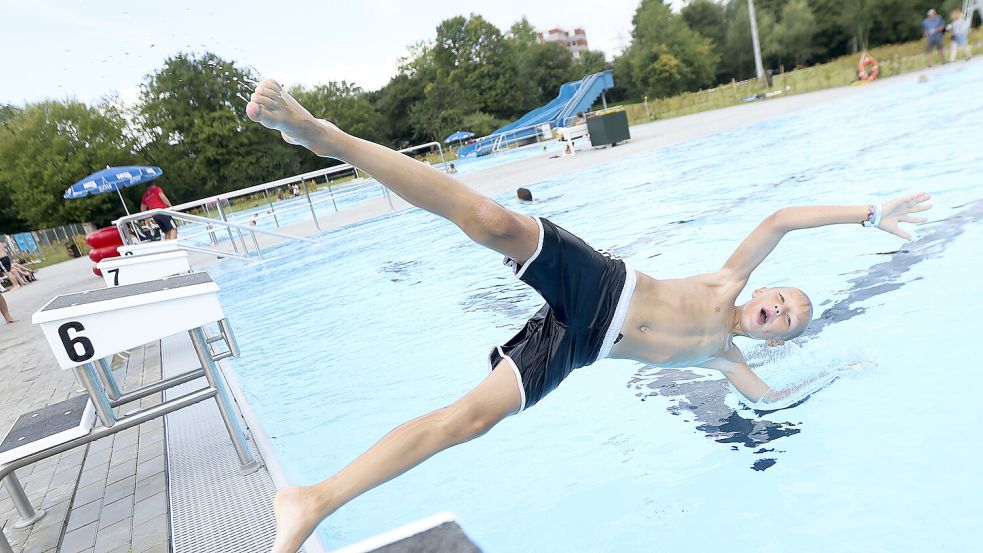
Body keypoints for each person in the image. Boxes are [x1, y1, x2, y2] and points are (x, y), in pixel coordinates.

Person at [244, 79, 932, 553]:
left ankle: (311, 500)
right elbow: (783, 217)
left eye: (788, 321)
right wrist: (867, 211)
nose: (778, 312)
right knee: (488, 219)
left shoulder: (729, 359)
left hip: (577, 345)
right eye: (782, 300)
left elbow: (775, 402)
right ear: (765, 289)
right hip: (601, 280)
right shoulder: (729, 279)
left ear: (774, 335)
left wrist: (839, 372)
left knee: (468, 419)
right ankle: (326, 136)